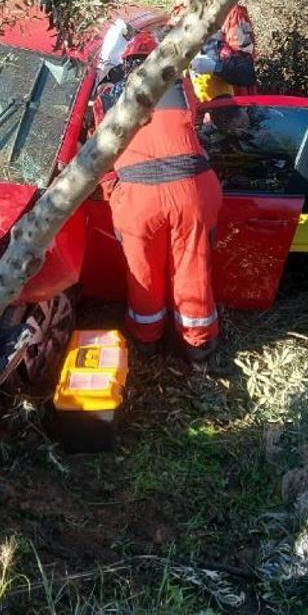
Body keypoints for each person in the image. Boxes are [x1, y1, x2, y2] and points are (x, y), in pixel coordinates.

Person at [96, 31, 223, 367]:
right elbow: (191, 126)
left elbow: (99, 156)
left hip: (138, 198)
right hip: (192, 190)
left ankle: (147, 340)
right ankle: (198, 347)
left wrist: (113, 192)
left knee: (143, 272)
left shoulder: (106, 97)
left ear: (124, 65)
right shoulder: (181, 87)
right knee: (192, 268)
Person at [161, 0, 256, 101]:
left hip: (233, 108)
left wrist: (215, 67)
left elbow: (247, 71)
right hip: (194, 108)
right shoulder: (178, 17)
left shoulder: (230, 14)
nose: (178, 3)